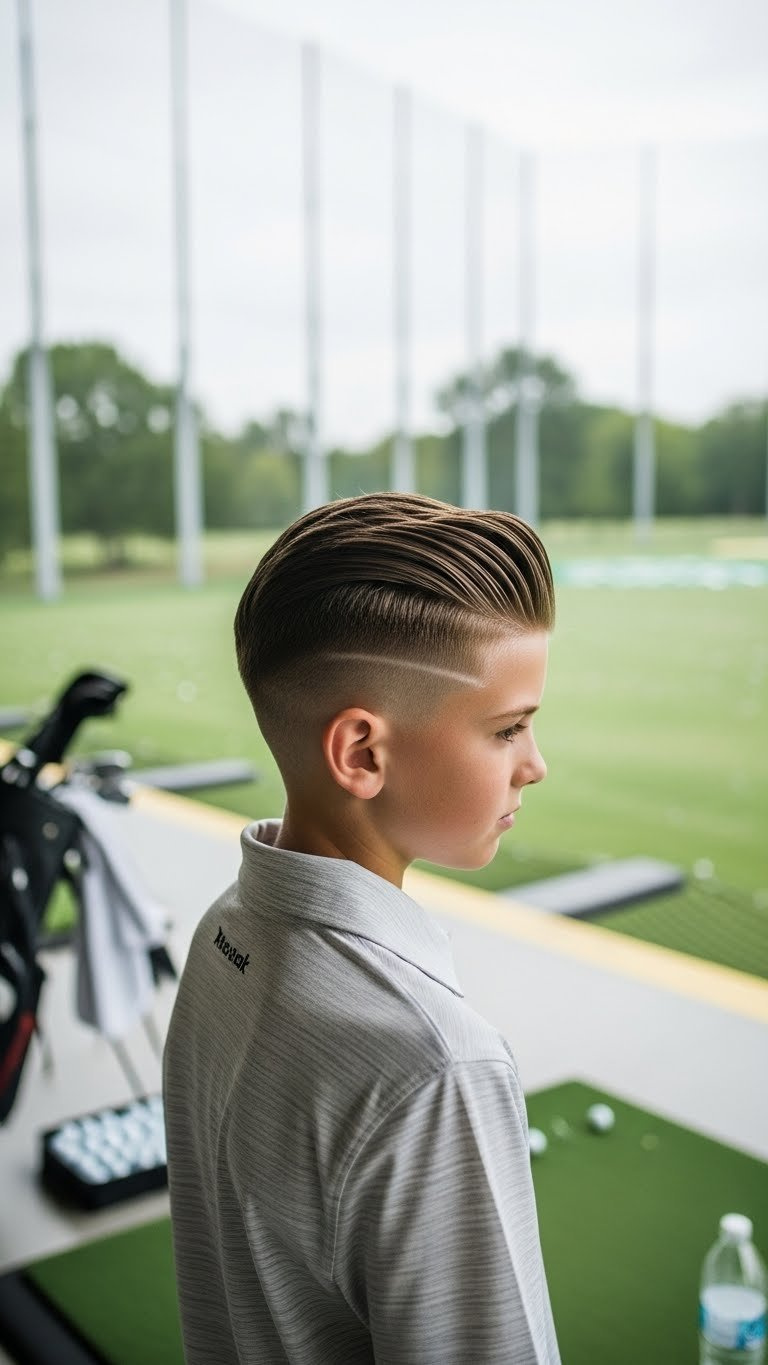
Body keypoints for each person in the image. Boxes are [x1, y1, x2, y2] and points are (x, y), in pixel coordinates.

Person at [163, 491, 561, 1364]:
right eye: (508, 729)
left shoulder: (222, 933)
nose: (535, 764)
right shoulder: (439, 1064)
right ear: (361, 753)